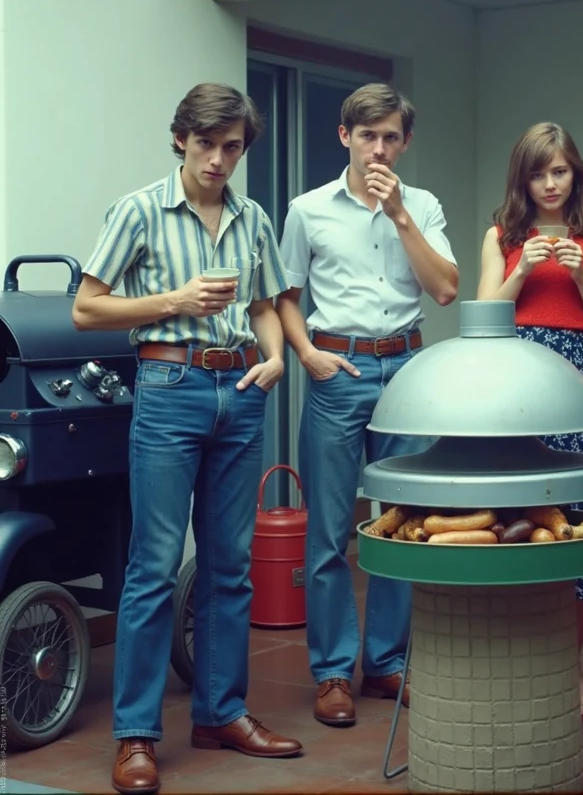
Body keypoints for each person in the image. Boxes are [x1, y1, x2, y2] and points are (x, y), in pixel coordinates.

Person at [72, 84, 302, 795]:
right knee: (153, 565)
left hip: (240, 393)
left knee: (230, 565)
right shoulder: (139, 210)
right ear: (181, 139)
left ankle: (222, 713)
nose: (218, 158)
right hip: (168, 389)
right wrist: (173, 301)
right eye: (206, 143)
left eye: (232, 147)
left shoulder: (251, 215)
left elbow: (265, 303)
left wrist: (273, 358)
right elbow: (86, 308)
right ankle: (136, 735)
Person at [277, 83, 458, 729]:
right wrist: (306, 355)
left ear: (404, 143)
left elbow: (444, 290)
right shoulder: (307, 210)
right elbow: (285, 296)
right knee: (328, 532)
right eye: (367, 136)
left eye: (390, 138)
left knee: (402, 525)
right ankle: (332, 673)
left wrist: (402, 215)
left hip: (406, 370)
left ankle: (385, 663)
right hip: (336, 369)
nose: (378, 149)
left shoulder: (425, 206)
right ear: (344, 137)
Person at [477, 122, 583, 722]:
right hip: (516, 380)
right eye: (538, 173)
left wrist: (581, 273)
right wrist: (521, 270)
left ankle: (568, 668)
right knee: (514, 518)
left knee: (579, 520)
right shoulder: (501, 233)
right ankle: (515, 658)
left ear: (575, 172)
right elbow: (483, 319)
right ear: (523, 179)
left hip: (578, 373)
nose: (549, 184)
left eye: (559, 171)